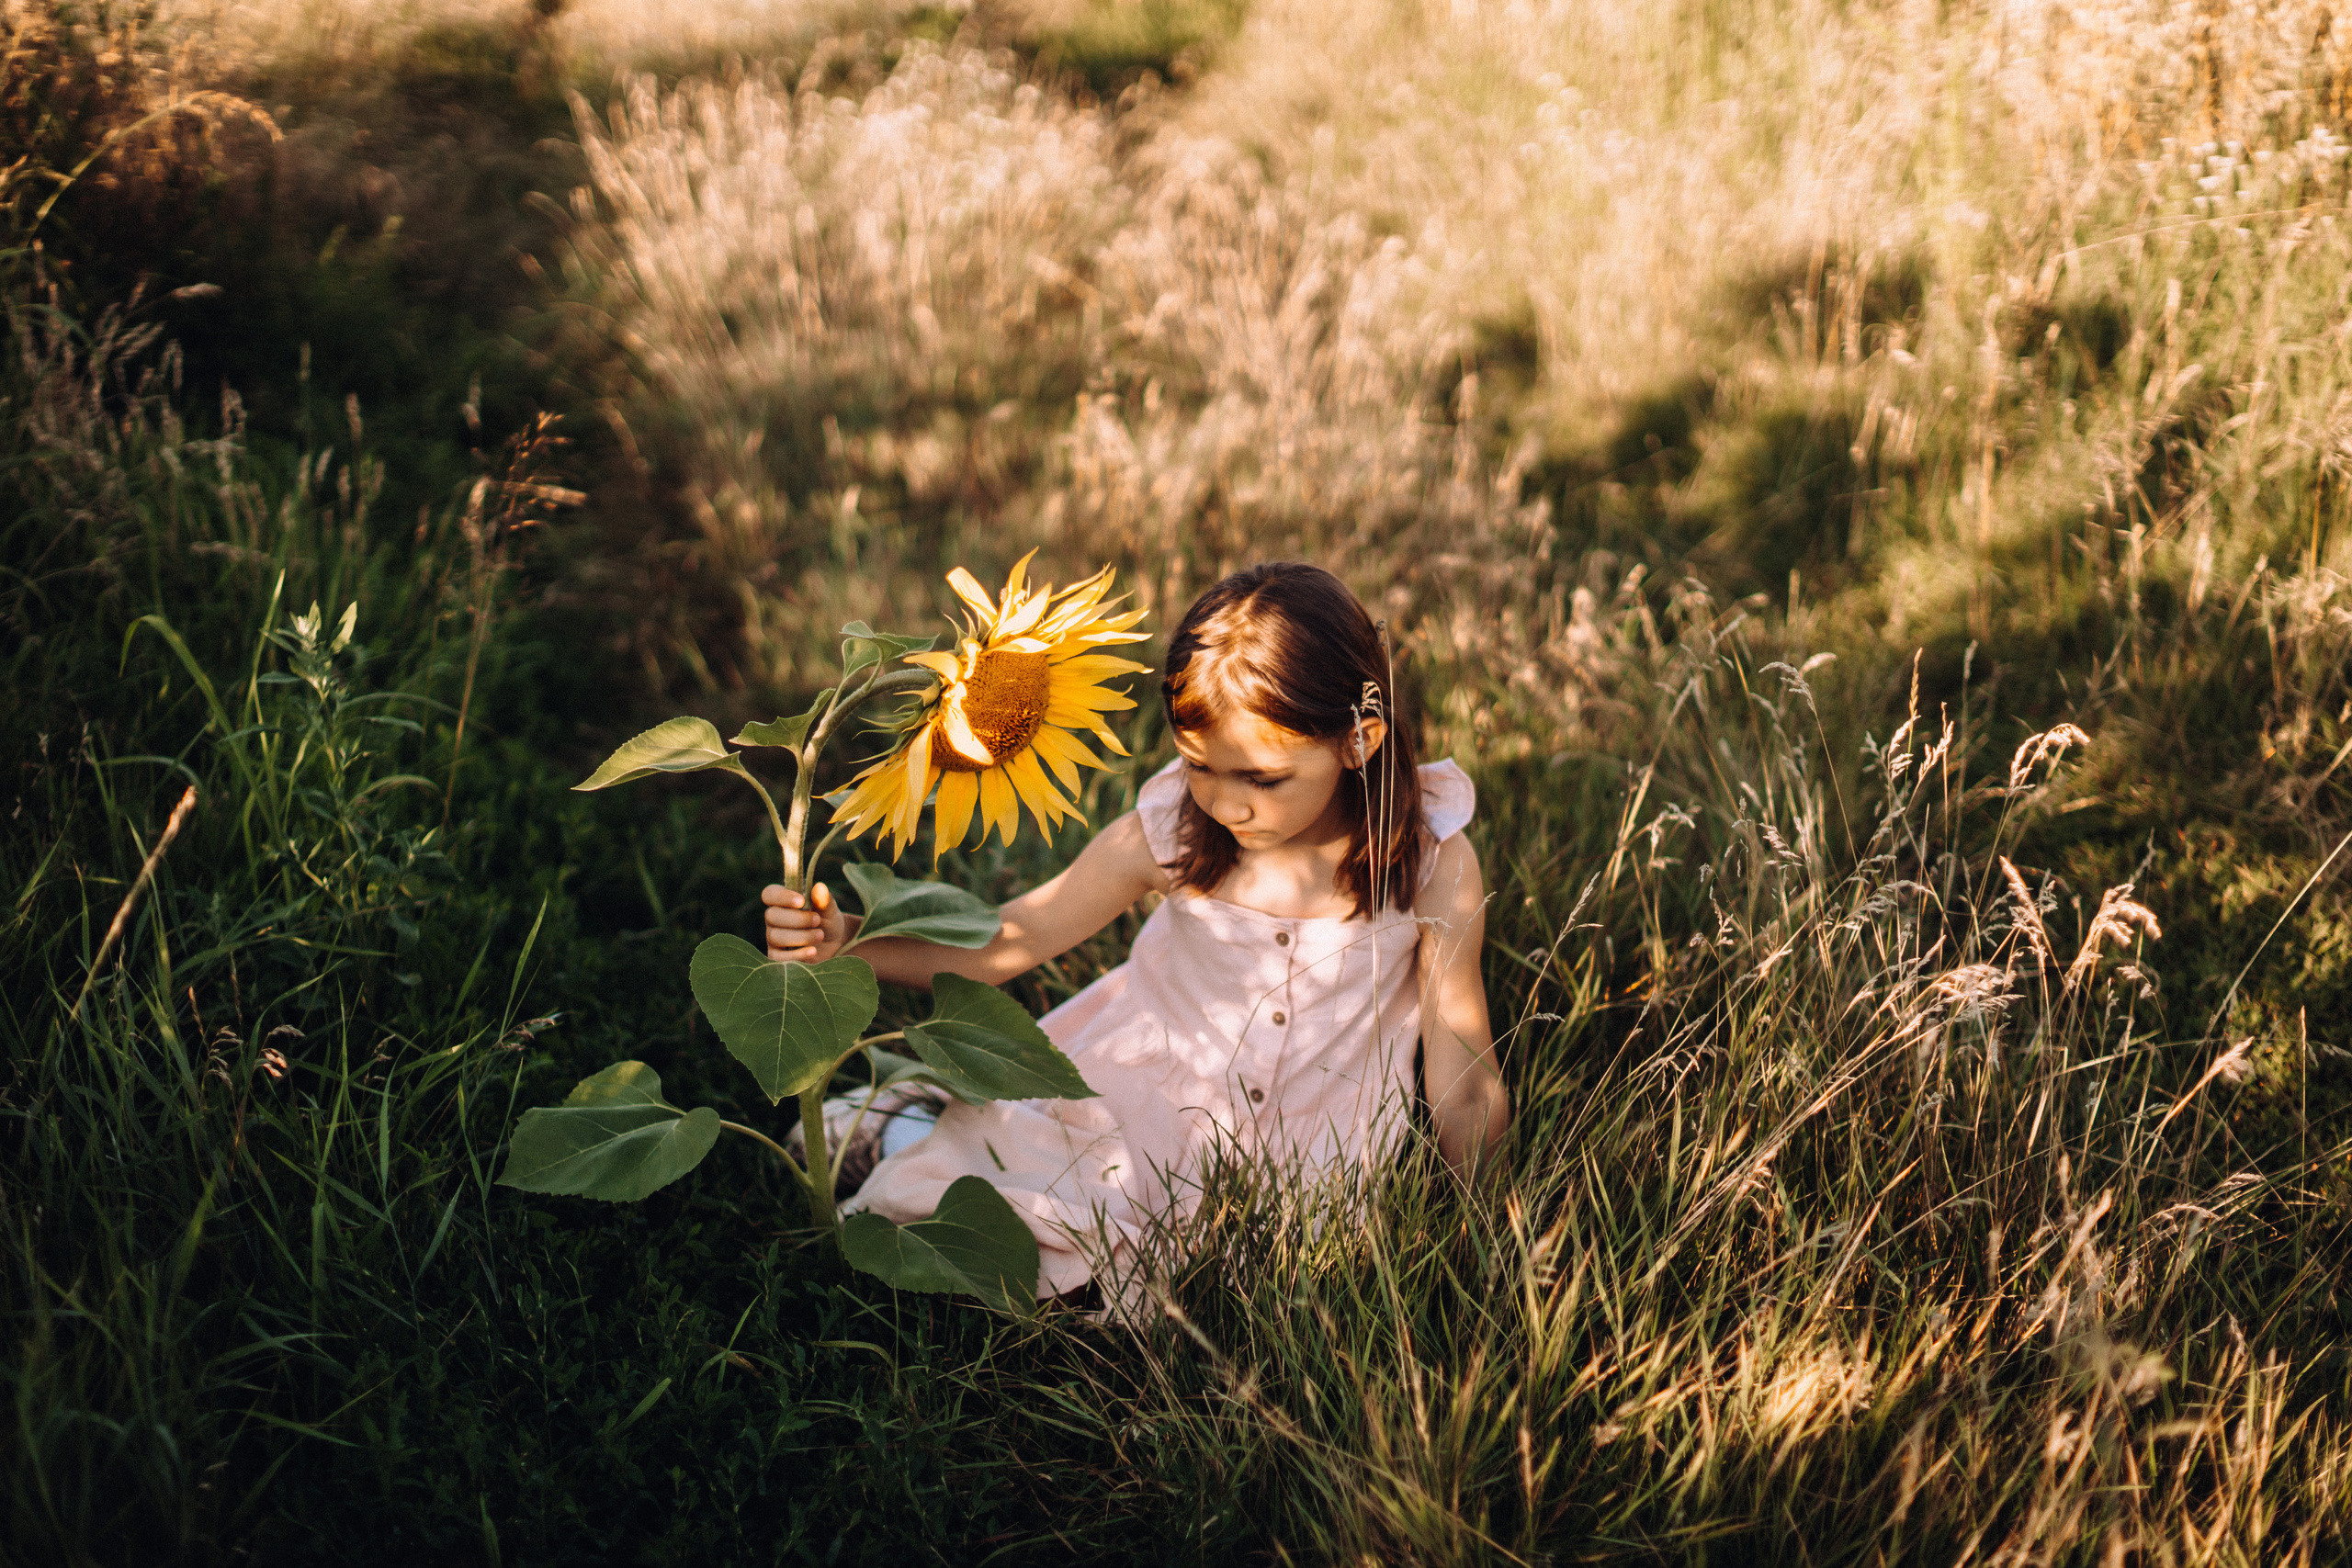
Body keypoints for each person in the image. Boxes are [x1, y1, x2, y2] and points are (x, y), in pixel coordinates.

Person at [761, 561, 1508, 1306]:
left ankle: (913, 1118)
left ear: (1358, 740)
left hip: (1307, 1154)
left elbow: (1465, 1079)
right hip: (1141, 1114)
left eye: (1262, 778)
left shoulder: (1431, 864)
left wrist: (1480, 1238)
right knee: (1006, 1219)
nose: (1226, 804)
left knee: (1232, 1286)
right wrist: (848, 938)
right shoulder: (1173, 831)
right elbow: (1010, 940)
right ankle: (904, 1126)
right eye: (1199, 766)